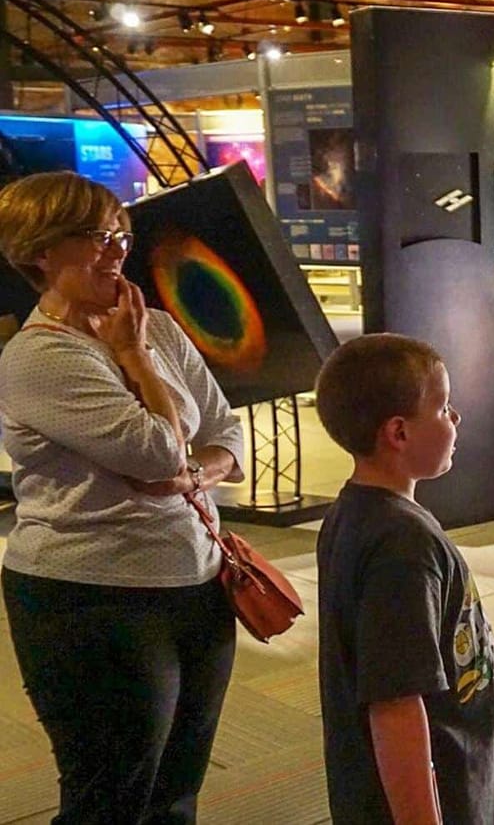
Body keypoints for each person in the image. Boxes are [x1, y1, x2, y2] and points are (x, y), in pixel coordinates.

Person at [0, 171, 245, 823]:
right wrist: (134, 357)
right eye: (92, 237)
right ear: (39, 250)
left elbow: (228, 434)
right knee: (108, 798)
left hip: (197, 580)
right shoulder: (40, 357)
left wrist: (192, 478)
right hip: (93, 598)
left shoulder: (157, 325)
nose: (114, 252)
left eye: (119, 235)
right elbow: (160, 450)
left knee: (175, 796)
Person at [314, 333, 494, 825]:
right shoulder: (401, 546)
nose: (455, 419)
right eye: (443, 407)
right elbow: (395, 704)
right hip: (440, 800)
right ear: (399, 433)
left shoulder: (355, 513)